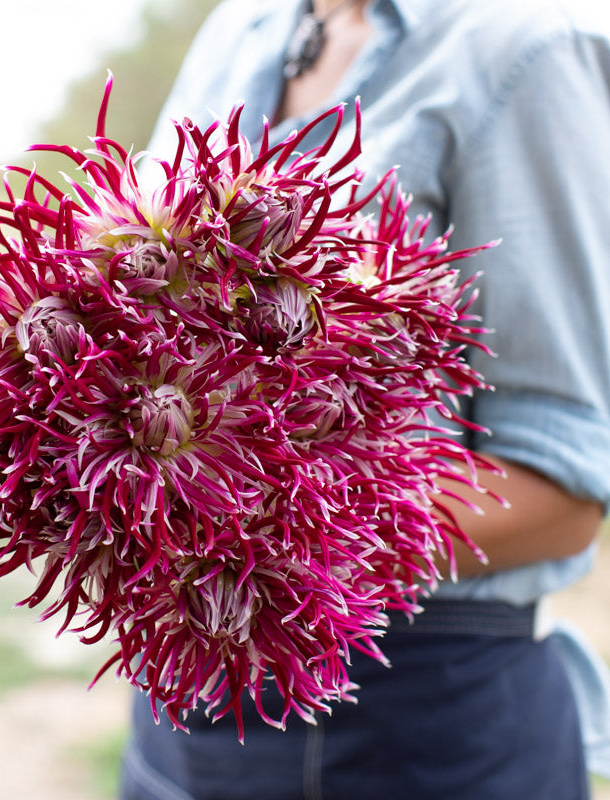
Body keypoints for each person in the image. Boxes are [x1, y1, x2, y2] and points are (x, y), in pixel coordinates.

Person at [120, 1, 610, 797]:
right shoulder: (240, 29)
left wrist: (262, 536)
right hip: (184, 698)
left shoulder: (529, 46)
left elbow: (563, 490)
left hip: (419, 714)